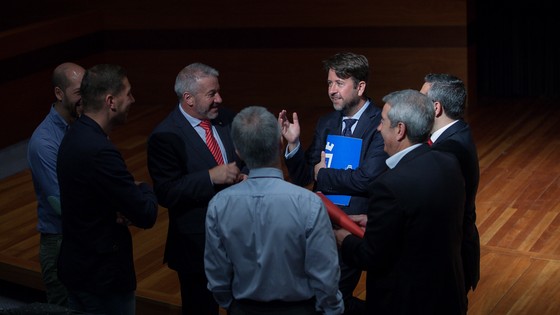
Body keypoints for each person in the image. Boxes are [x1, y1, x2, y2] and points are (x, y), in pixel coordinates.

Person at [334, 89, 467, 315]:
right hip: (447, 296)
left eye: (382, 122)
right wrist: (377, 220)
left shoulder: (388, 185)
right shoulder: (449, 162)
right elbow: (423, 218)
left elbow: (371, 255)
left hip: (406, 303)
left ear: (400, 130)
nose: (377, 128)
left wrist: (342, 238)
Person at [204, 105, 344, 315]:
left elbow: (217, 273)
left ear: (239, 151)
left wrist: (231, 305)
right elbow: (325, 273)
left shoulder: (218, 205)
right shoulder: (308, 204)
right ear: (280, 144)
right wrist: (332, 309)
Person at [278, 52, 387, 314]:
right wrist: (293, 145)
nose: (332, 91)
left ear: (360, 87)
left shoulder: (380, 124)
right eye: (329, 83)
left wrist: (323, 175)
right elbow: (305, 176)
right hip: (319, 223)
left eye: (339, 83)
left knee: (336, 296)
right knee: (315, 295)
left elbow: (366, 180)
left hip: (353, 225)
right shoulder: (326, 123)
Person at [56, 64, 159, 315]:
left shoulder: (74, 134)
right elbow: (146, 213)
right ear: (111, 101)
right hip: (102, 279)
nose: (133, 100)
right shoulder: (101, 151)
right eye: (129, 93)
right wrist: (143, 188)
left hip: (78, 269)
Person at [147, 62, 245, 315]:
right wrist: (211, 177)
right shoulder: (165, 136)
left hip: (240, 238)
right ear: (188, 98)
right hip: (197, 247)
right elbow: (167, 192)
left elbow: (248, 161)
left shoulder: (229, 119)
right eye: (211, 94)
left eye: (218, 91)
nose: (219, 99)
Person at [27, 62, 85, 306]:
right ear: (59, 94)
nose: (86, 99)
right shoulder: (44, 142)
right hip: (59, 243)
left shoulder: (83, 126)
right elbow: (59, 202)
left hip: (84, 235)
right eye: (79, 92)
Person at [420, 73, 481, 303]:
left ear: (436, 107)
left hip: (448, 258)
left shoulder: (448, 149)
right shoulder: (458, 132)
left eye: (421, 99)